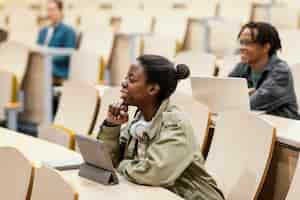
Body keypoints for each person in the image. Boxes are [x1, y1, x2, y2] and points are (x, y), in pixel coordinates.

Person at [97, 55, 224, 200]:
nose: (123, 83)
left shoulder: (175, 124)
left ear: (152, 89)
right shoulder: (139, 119)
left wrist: (122, 164)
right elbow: (107, 162)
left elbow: (153, 173)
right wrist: (111, 126)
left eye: (131, 80)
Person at [229, 22, 300, 120]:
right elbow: (223, 93)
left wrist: (239, 96)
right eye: (241, 42)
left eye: (248, 43)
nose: (242, 48)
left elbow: (251, 104)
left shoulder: (281, 72)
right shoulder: (243, 66)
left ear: (266, 47)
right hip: (255, 122)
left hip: (281, 128)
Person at [37, 0, 76, 85]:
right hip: (42, 67)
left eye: (53, 9)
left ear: (61, 11)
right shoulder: (43, 31)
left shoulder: (69, 31)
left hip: (58, 71)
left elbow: (67, 55)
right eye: (48, 10)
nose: (50, 13)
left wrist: (45, 59)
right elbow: (38, 49)